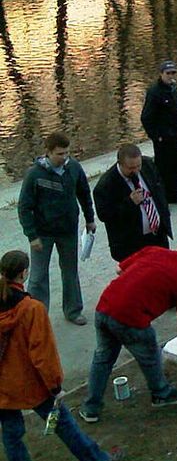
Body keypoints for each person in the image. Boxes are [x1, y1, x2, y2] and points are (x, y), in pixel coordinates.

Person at [0, 250, 121, 461]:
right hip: (33, 383)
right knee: (61, 422)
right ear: (24, 273)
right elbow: (42, 354)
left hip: (3, 388)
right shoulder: (31, 309)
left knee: (11, 435)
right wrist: (55, 387)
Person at [79, 236, 177, 424]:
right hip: (131, 319)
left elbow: (119, 269)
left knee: (102, 358)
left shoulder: (154, 250)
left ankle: (91, 407)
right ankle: (161, 393)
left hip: (105, 307)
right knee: (150, 355)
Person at [17, 132, 96, 326]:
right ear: (48, 153)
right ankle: (37, 316)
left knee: (70, 272)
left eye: (67, 153)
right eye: (60, 154)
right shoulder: (35, 174)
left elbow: (84, 194)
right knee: (37, 276)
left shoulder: (74, 168)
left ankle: (73, 310)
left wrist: (90, 218)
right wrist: (31, 235)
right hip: (43, 232)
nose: (64, 158)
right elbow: (24, 207)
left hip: (68, 230)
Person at [93, 144, 172, 263]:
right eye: (130, 168)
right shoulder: (106, 186)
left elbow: (159, 190)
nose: (135, 171)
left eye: (138, 166)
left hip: (158, 235)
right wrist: (129, 202)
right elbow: (105, 215)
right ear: (119, 164)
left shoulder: (147, 165)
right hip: (131, 244)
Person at [140, 60, 177, 205]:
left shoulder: (173, 88)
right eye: (168, 73)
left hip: (176, 136)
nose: (171, 76)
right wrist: (156, 136)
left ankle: (174, 194)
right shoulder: (154, 91)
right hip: (163, 139)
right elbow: (146, 117)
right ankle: (162, 197)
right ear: (161, 74)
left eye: (173, 73)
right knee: (163, 169)